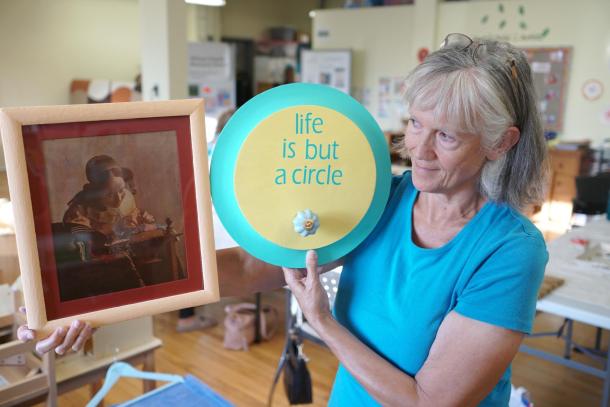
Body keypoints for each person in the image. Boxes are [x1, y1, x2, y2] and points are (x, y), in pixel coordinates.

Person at [20, 33, 548, 406]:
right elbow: (253, 269)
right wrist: (96, 304)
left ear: (502, 142)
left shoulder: (509, 251)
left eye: (448, 136)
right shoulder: (383, 198)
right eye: (414, 124)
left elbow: (430, 400)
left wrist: (321, 322)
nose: (419, 150)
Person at [176, 107, 236, 333]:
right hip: (213, 216)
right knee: (202, 268)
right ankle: (187, 318)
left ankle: (187, 316)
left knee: (192, 266)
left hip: (194, 212)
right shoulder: (230, 149)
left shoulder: (208, 145)